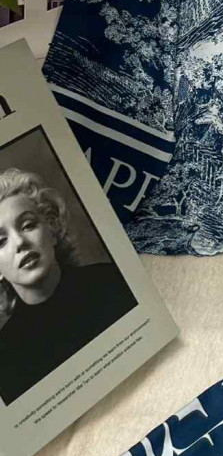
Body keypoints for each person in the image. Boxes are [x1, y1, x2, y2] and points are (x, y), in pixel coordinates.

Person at [0, 167, 137, 405]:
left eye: (28, 225)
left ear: (52, 230)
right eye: (1, 241)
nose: (20, 242)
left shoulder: (114, 282)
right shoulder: (4, 358)